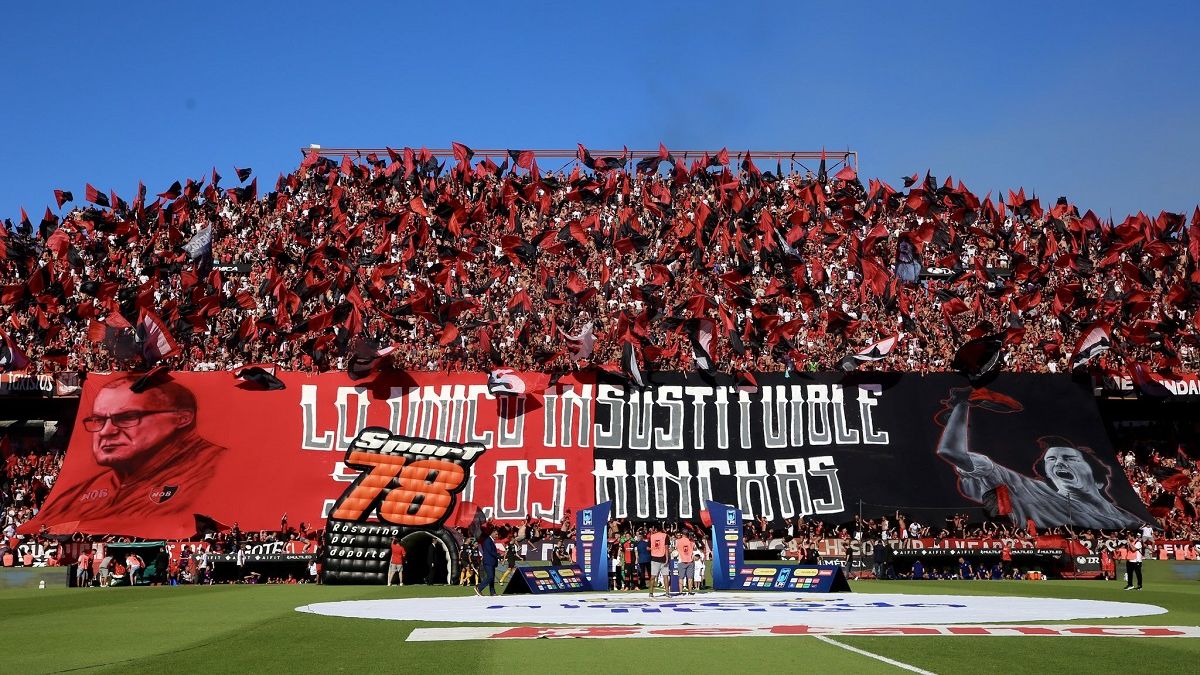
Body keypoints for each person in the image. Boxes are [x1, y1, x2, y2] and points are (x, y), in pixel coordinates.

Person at [26, 376, 227, 538]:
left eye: (127, 417)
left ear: (182, 418)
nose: (106, 431)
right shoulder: (78, 494)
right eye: (98, 420)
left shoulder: (222, 470)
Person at [936, 388, 1143, 530]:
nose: (1058, 463)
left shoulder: (1127, 519)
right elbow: (951, 452)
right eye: (1051, 460)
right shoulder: (1029, 490)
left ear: (1098, 478)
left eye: (1070, 458)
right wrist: (963, 404)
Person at [475, 530, 500, 596]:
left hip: (492, 562)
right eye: (496, 534)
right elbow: (490, 551)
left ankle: (492, 592)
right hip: (488, 561)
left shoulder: (491, 541)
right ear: (492, 533)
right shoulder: (488, 540)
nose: (497, 536)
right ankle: (479, 587)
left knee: (492, 577)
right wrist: (498, 555)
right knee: (490, 576)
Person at [647, 524, 669, 598]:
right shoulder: (665, 535)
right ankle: (667, 593)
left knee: (653, 576)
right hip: (663, 558)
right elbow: (666, 548)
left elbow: (648, 548)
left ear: (656, 529)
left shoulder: (652, 536)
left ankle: (651, 593)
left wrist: (653, 548)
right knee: (665, 576)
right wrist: (667, 559)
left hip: (654, 558)